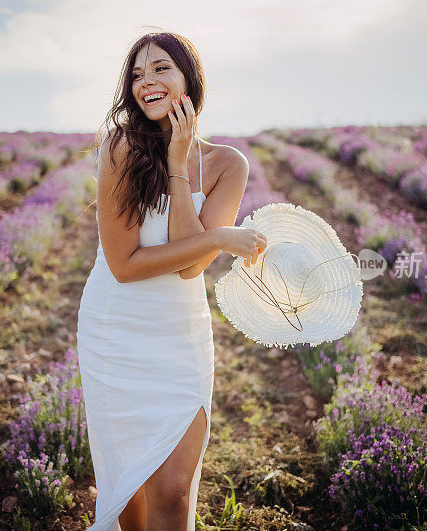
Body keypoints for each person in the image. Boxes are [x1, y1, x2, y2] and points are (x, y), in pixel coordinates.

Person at [76, 31, 267, 531]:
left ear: (189, 79)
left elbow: (189, 267)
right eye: (137, 75)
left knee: (174, 490)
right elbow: (126, 264)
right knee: (131, 492)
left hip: (181, 335)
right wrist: (219, 235)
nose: (147, 83)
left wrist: (180, 164)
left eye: (160, 69)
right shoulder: (120, 147)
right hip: (116, 330)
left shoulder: (228, 164)